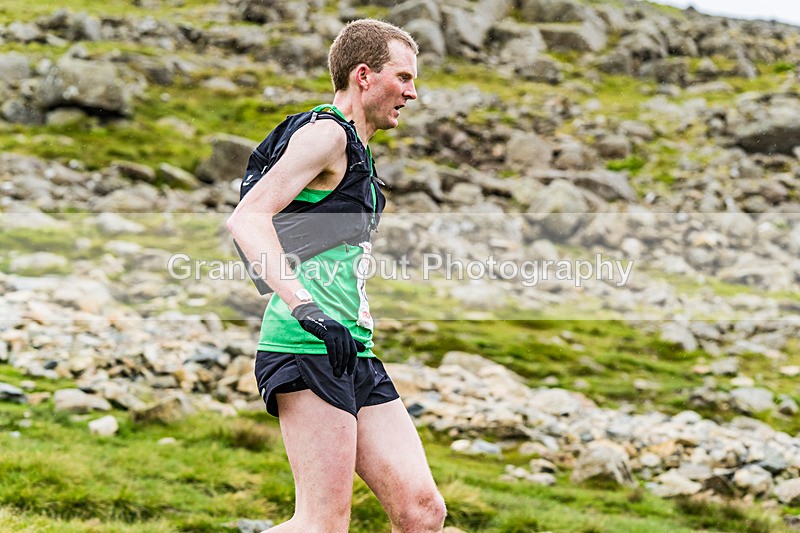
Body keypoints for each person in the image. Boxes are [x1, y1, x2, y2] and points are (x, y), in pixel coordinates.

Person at [226, 19, 447, 533]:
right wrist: (307, 308)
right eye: (405, 77)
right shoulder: (327, 134)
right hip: (305, 344)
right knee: (321, 524)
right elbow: (248, 217)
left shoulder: (359, 151)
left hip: (354, 349)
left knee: (421, 512)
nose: (413, 93)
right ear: (364, 75)